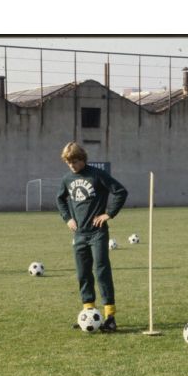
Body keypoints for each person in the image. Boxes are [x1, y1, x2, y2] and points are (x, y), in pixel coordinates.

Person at [56, 142, 128, 332]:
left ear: (83, 159)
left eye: (75, 162)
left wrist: (108, 214)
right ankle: (88, 313)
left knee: (101, 270)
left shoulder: (97, 174)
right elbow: (60, 199)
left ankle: (110, 316)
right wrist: (68, 218)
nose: (72, 165)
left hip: (98, 233)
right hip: (79, 234)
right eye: (68, 162)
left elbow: (120, 191)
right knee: (83, 273)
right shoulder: (67, 179)